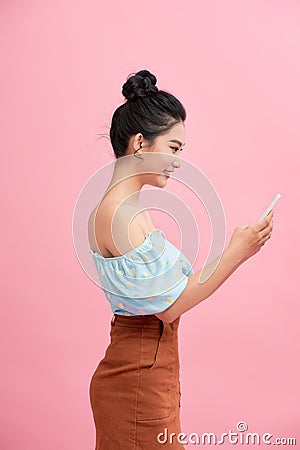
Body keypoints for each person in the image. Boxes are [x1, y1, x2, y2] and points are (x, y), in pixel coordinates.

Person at [87, 69, 274, 450]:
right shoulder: (119, 214)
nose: (177, 162)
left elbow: (166, 299)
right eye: (173, 148)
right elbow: (168, 308)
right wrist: (237, 253)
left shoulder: (130, 209)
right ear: (141, 143)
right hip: (138, 374)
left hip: (148, 369)